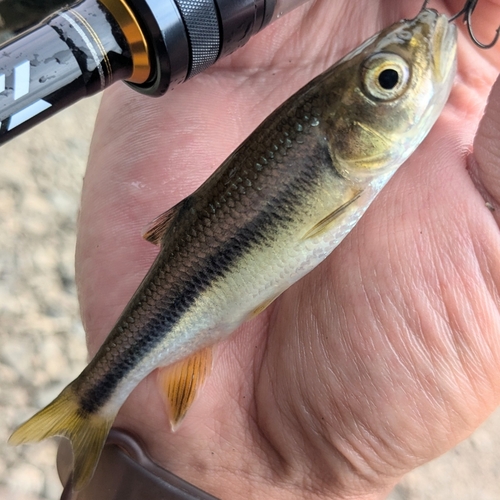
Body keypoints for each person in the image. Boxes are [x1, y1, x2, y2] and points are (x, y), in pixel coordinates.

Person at [74, 1, 500, 498]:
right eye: (389, 80)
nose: (397, 77)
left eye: (387, 79)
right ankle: (91, 405)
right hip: (193, 295)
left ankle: (92, 407)